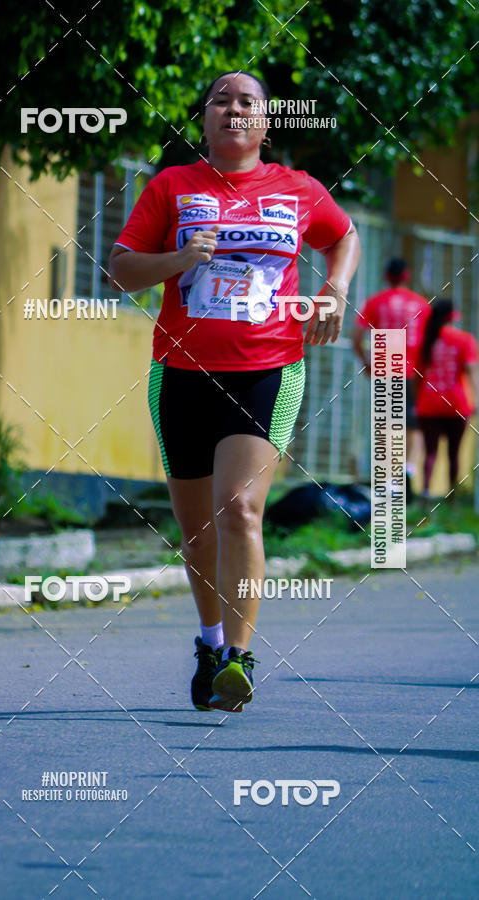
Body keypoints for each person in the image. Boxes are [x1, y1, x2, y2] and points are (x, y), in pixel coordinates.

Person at [108, 71, 360, 713]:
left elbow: (344, 235)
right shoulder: (172, 186)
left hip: (269, 368)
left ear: (266, 124)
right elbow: (121, 270)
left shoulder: (297, 189)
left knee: (239, 509)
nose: (234, 109)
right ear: (205, 120)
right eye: (220, 99)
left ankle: (241, 659)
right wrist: (180, 260)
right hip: (182, 373)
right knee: (196, 532)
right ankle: (211, 643)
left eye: (248, 102)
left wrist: (333, 289)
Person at [352, 257, 431, 489]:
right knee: (414, 421)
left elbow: (356, 337)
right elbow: (430, 340)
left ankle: (389, 476)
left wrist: (367, 362)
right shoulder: (421, 304)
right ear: (406, 276)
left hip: (385, 366)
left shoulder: (375, 302)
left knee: (387, 422)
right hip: (413, 369)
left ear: (386, 276)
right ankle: (409, 468)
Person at [415, 298, 477, 496]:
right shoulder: (464, 340)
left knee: (430, 451)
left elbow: (418, 376)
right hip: (456, 404)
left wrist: (419, 401)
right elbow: (471, 372)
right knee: (454, 453)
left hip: (429, 404)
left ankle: (425, 493)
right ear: (452, 317)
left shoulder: (424, 340)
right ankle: (452, 497)